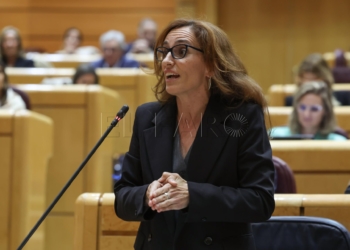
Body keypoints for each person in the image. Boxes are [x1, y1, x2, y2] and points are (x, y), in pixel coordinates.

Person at [114, 19, 275, 249]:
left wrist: (192, 194)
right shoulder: (147, 117)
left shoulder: (243, 116)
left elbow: (260, 201)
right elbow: (122, 198)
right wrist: (146, 193)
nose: (167, 61)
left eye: (181, 51)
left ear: (210, 65)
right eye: (164, 52)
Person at [270, 81, 347, 140]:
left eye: (314, 109)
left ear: (326, 111)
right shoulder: (274, 136)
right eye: (302, 107)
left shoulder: (338, 142)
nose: (307, 114)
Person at [286, 53, 350, 106]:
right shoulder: (290, 102)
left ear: (326, 80)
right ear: (300, 80)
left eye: (314, 79)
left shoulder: (345, 99)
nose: (310, 85)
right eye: (306, 79)